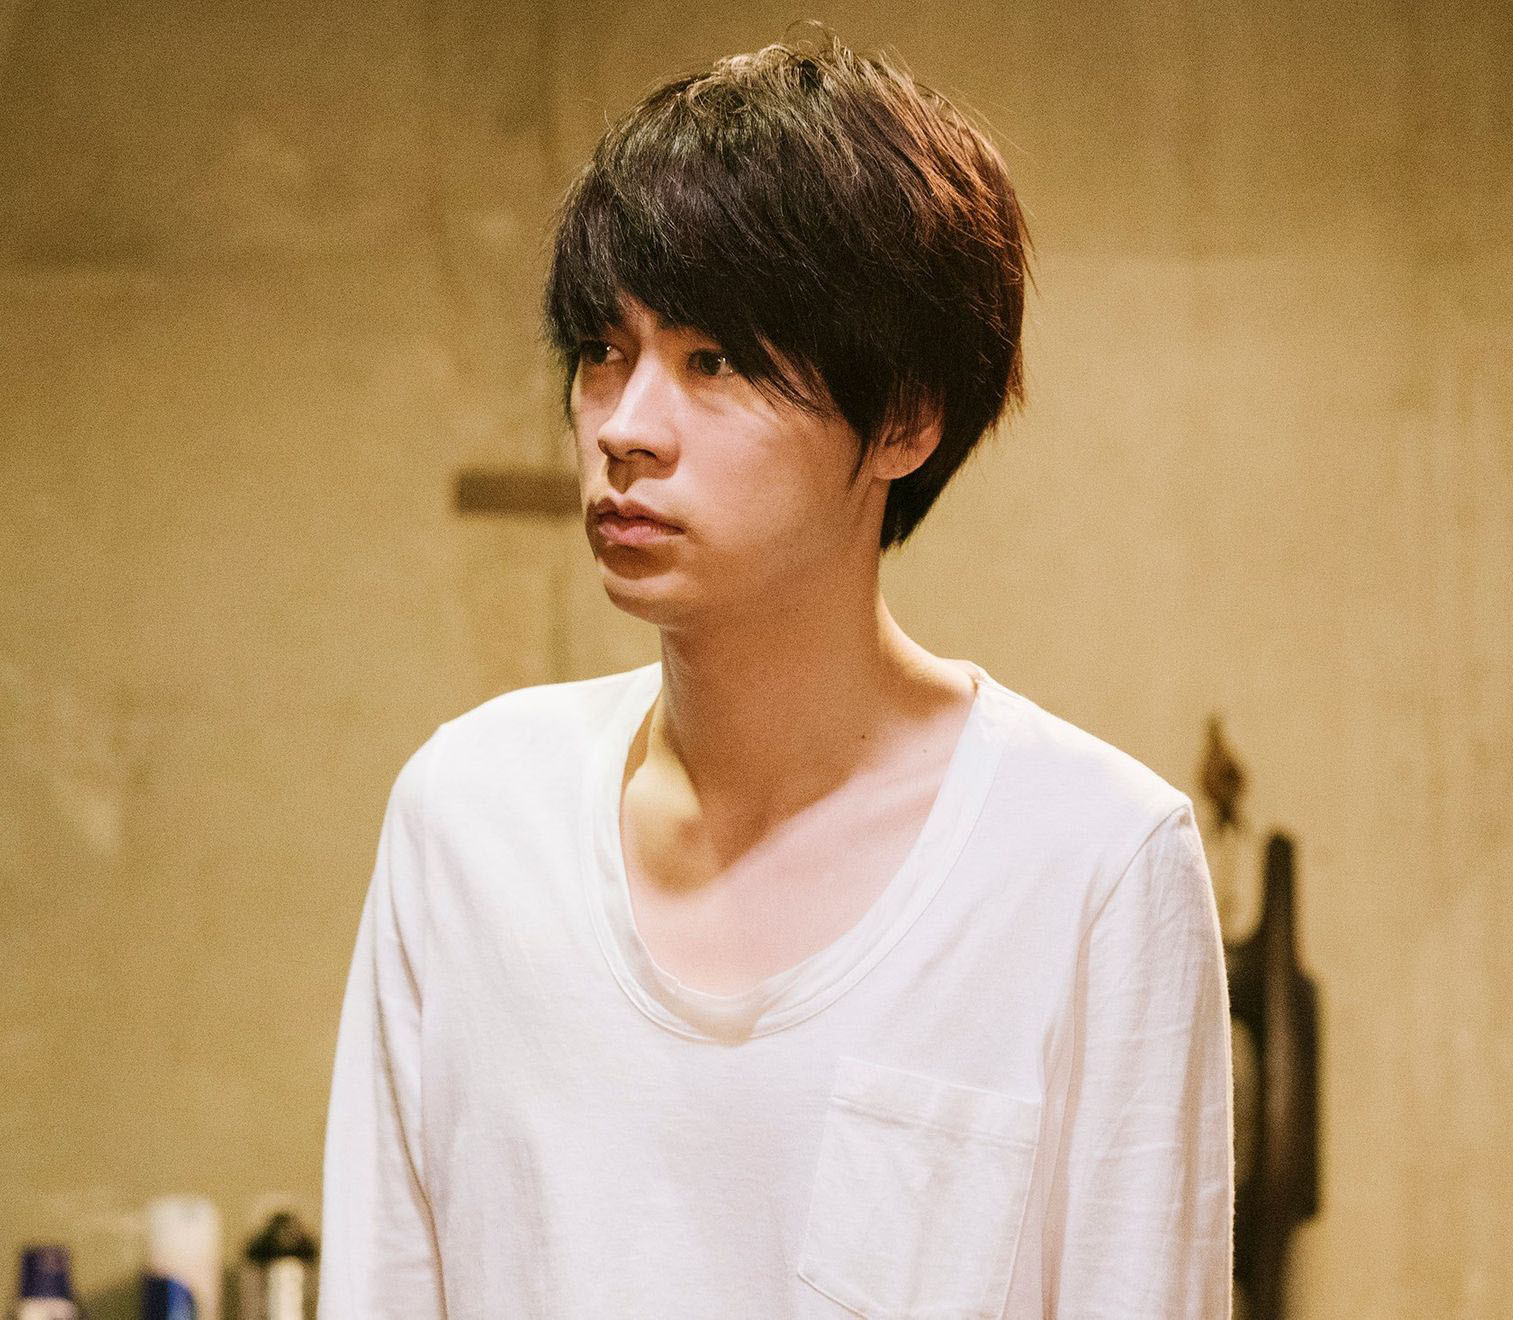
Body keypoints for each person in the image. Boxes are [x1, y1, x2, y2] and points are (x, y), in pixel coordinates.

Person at [320, 27, 1233, 1319]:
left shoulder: (1092, 860)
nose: (626, 428)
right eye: (604, 351)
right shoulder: (468, 818)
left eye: (715, 361)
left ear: (904, 416)